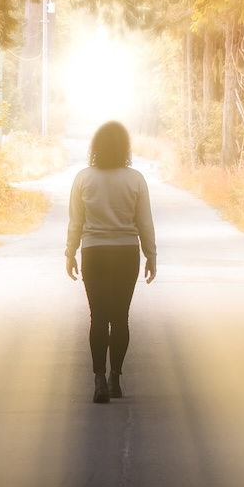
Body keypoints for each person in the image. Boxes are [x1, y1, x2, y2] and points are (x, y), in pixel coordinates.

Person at [65, 121, 157, 404]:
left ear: (95, 147)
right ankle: (115, 376)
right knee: (120, 318)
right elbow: (144, 222)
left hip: (93, 253)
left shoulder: (83, 178)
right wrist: (151, 255)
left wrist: (70, 252)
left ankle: (98, 379)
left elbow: (75, 222)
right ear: (125, 148)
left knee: (98, 317)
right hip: (126, 253)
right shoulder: (136, 179)